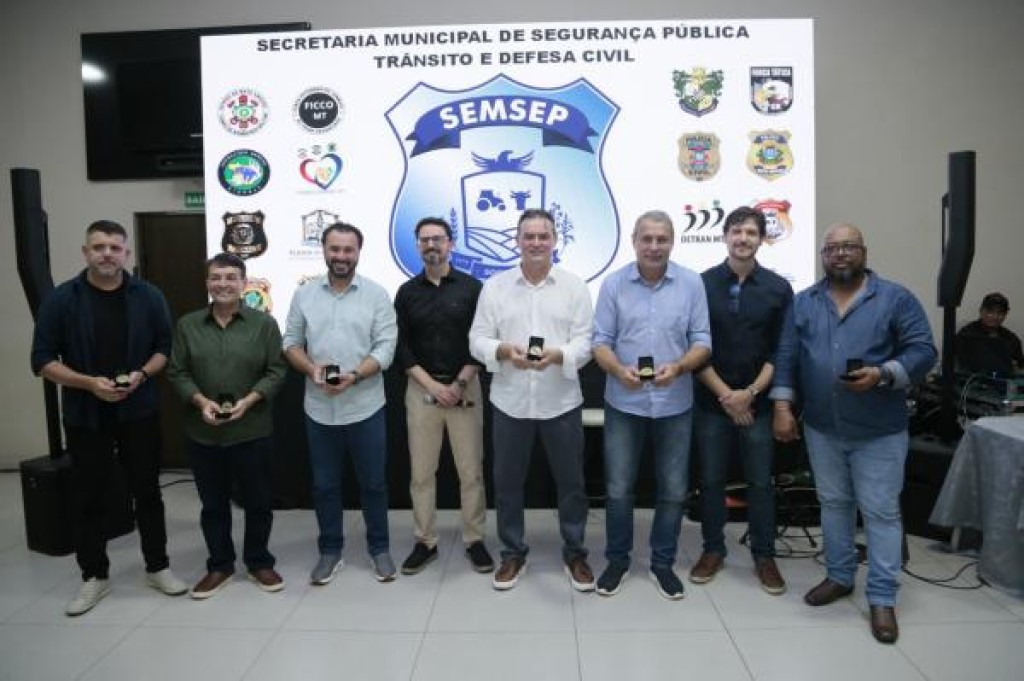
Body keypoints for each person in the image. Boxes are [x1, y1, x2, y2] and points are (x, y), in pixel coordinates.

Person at [772, 223, 936, 644]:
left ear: (864, 251)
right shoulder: (805, 302)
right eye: (832, 248)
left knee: (880, 512)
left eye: (848, 246)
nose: (840, 253)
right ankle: (840, 577)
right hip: (822, 427)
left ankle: (882, 597)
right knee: (833, 504)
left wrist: (883, 374)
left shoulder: (895, 298)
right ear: (823, 256)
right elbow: (787, 357)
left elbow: (923, 350)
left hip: (879, 430)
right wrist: (783, 407)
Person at [30, 219, 186, 616]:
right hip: (85, 414)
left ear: (126, 253)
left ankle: (158, 567)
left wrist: (142, 375)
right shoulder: (61, 299)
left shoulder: (148, 296)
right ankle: (94, 576)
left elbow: (164, 347)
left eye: (115, 248)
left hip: (139, 410)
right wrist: (87, 383)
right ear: (86, 252)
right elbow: (42, 360)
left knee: (147, 492)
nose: (107, 254)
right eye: (98, 247)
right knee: (89, 496)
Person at [469, 208, 595, 591]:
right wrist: (504, 351)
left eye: (544, 236)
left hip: (561, 402)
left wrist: (558, 356)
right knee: (507, 484)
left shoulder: (575, 287)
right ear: (517, 240)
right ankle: (512, 553)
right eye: (529, 236)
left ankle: (575, 553)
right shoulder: (495, 287)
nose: (536, 242)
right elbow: (477, 339)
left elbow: (585, 342)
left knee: (571, 484)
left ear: (555, 240)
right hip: (510, 402)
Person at [591, 210, 711, 600]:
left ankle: (662, 563)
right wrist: (617, 369)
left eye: (662, 239)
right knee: (618, 489)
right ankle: (617, 560)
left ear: (672, 241)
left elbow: (703, 340)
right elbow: (600, 341)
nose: (654, 246)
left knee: (674, 490)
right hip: (624, 401)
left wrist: (680, 367)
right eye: (647, 239)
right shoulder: (613, 284)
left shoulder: (691, 283)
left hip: (675, 402)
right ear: (634, 241)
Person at [282, 222, 398, 585]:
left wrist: (356, 375)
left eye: (348, 250)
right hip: (319, 410)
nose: (341, 256)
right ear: (324, 250)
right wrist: (312, 370)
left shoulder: (377, 295)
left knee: (374, 484)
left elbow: (386, 347)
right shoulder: (304, 294)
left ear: (358, 252)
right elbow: (291, 342)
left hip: (365, 406)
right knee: (325, 486)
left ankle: (379, 549)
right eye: (335, 249)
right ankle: (330, 551)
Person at [167, 252, 287, 599]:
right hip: (203, 433)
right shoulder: (188, 325)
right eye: (216, 277)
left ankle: (259, 562)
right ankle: (220, 565)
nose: (223, 284)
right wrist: (200, 402)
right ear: (207, 283)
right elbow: (177, 371)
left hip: (252, 430)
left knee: (259, 503)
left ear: (243, 283)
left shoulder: (264, 325)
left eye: (231, 278)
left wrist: (249, 401)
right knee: (213, 506)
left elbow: (277, 370)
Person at [691, 207, 793, 594]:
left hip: (758, 404)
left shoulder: (778, 288)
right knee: (711, 481)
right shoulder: (701, 284)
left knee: (760, 483)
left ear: (761, 238)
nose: (743, 238)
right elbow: (694, 345)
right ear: (725, 236)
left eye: (751, 232)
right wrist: (726, 396)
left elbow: (781, 350)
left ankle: (764, 556)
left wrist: (749, 394)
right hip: (711, 402)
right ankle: (712, 550)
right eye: (736, 231)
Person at [394, 217, 494, 575]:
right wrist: (434, 386)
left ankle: (474, 540)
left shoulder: (473, 288)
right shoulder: (407, 292)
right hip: (422, 390)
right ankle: (425, 541)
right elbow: (401, 347)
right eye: (424, 240)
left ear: (451, 243)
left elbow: (482, 341)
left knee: (471, 472)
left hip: (465, 387)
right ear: (418, 246)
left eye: (438, 238)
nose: (431, 245)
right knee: (421, 473)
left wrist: (458, 384)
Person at [954, 292, 1023, 373]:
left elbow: (1020, 367)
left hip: (1004, 380)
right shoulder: (966, 334)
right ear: (981, 311)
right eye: (990, 312)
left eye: (1000, 313)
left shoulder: (1012, 339)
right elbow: (958, 364)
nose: (995, 317)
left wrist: (1015, 367)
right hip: (972, 379)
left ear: (1005, 315)